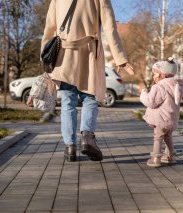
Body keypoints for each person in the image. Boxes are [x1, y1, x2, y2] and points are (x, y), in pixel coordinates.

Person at [41, 0, 134, 162]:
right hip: (89, 54)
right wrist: (120, 58)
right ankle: (87, 138)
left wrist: (45, 60)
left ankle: (70, 147)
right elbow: (109, 26)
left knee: (67, 101)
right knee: (90, 97)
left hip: (65, 55)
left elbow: (49, 28)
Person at [140, 57, 183, 167]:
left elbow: (151, 102)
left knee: (158, 138)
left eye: (155, 74)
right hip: (171, 120)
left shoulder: (159, 87)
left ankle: (155, 158)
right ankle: (170, 156)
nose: (153, 76)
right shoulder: (177, 85)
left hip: (161, 119)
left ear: (161, 74)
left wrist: (143, 94)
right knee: (168, 137)